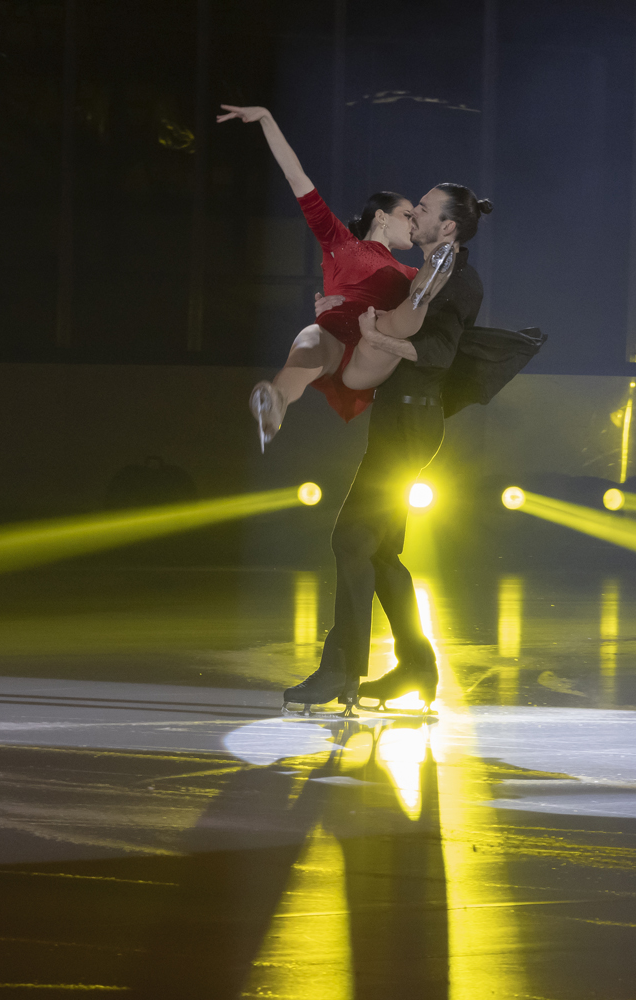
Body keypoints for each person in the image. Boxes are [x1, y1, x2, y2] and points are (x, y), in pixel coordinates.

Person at [283, 183, 493, 714]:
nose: (413, 213)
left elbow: (439, 351)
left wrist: (381, 341)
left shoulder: (460, 280)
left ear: (447, 226)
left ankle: (339, 669)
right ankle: (418, 670)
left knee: (350, 539)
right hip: (398, 418)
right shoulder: (419, 274)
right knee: (378, 552)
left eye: (423, 209)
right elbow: (370, 306)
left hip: (413, 424)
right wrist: (336, 306)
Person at [216, 105, 457, 447]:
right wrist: (268, 118)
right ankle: (276, 402)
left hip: (374, 341)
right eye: (407, 215)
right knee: (310, 338)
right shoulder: (339, 242)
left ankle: (424, 292)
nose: (414, 222)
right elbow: (298, 179)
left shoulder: (411, 272)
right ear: (382, 217)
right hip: (332, 334)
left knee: (387, 325)